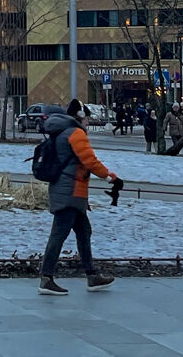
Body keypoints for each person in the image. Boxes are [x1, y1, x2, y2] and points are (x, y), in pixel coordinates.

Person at [37, 99, 119, 295]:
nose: (88, 122)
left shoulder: (62, 132)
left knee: (84, 232)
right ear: (80, 117)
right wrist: (110, 176)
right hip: (70, 192)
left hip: (68, 191)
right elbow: (89, 160)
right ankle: (46, 279)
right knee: (59, 234)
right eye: (87, 118)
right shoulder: (75, 133)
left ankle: (92, 276)